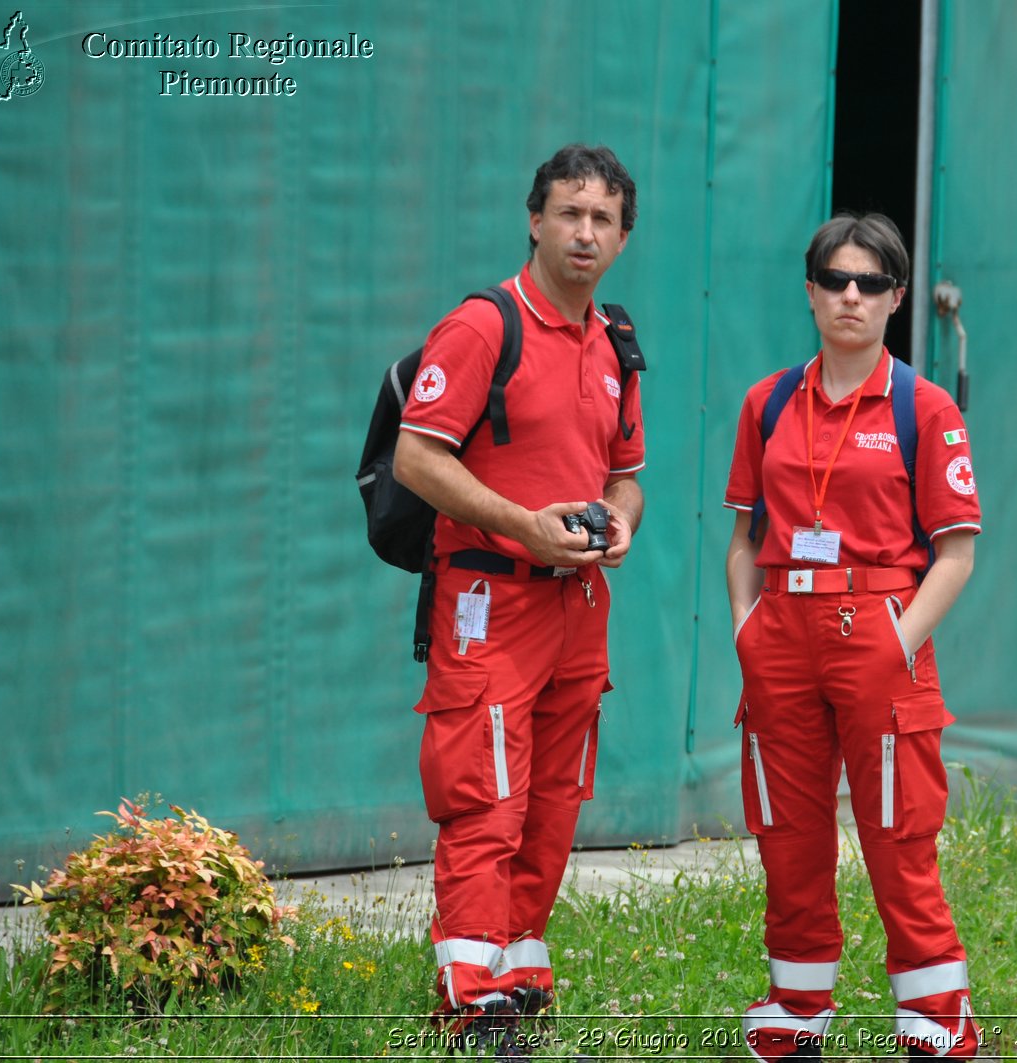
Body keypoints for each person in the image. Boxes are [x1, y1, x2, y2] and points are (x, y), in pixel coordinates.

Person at [393, 143, 644, 1056]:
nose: (585, 232)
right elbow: (418, 458)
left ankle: (519, 971)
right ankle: (469, 994)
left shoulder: (616, 341)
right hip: (489, 598)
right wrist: (520, 525)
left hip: (579, 606)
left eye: (603, 219)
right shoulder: (482, 324)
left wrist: (620, 522)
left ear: (622, 237)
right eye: (569, 213)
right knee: (484, 796)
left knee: (554, 800)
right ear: (534, 219)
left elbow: (627, 476)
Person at [723, 213, 984, 1060]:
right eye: (835, 279)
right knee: (788, 833)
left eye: (870, 283)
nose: (850, 296)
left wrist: (898, 642)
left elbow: (956, 553)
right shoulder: (767, 403)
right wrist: (746, 626)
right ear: (809, 291)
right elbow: (741, 539)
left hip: (878, 630)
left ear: (897, 298)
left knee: (898, 835)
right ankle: (796, 1013)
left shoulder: (925, 405)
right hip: (782, 633)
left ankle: (936, 1021)